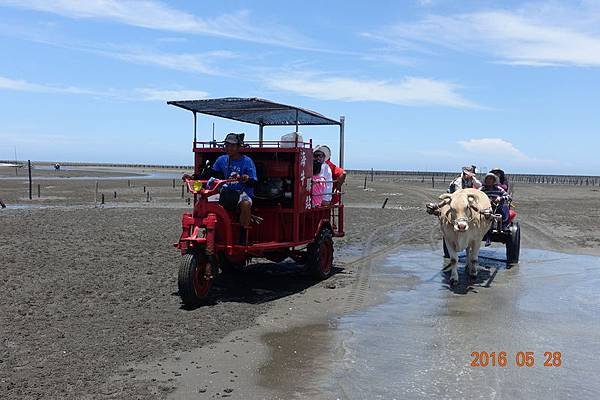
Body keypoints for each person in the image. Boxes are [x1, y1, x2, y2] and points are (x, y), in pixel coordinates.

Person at [207, 133, 258, 230]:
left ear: (239, 147)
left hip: (242, 193)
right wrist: (193, 176)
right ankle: (214, 231)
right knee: (209, 202)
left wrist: (246, 179)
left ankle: (243, 235)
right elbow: (210, 174)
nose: (229, 148)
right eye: (227, 145)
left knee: (246, 204)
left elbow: (254, 182)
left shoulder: (247, 161)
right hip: (226, 192)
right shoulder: (221, 160)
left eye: (233, 146)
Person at [480, 172, 511, 245]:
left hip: (497, 207)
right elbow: (476, 196)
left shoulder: (499, 189)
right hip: (484, 208)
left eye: (491, 179)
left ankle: (503, 225)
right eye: (487, 179)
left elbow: (509, 197)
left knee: (504, 208)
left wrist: (500, 198)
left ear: (494, 181)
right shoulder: (481, 189)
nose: (489, 180)